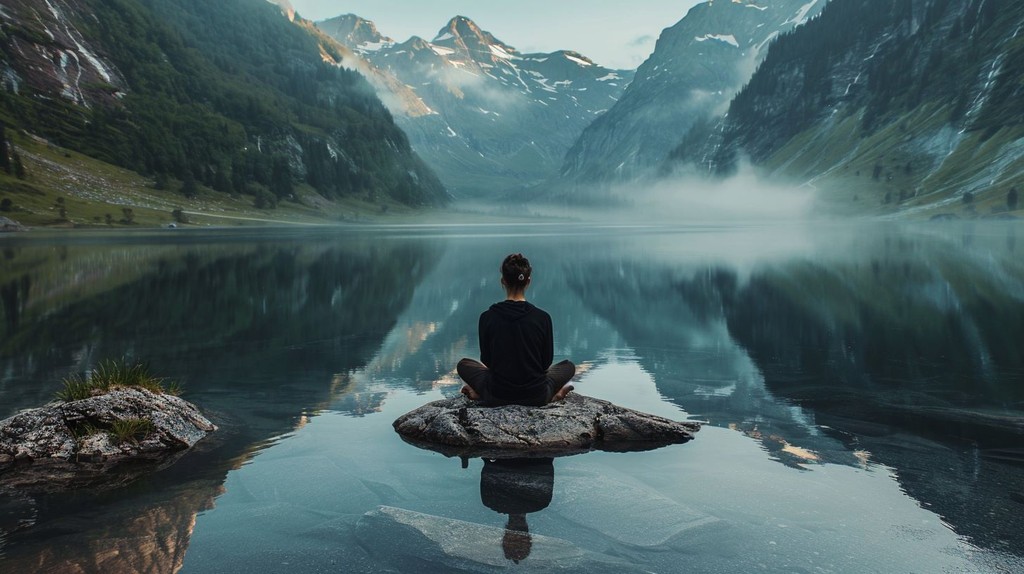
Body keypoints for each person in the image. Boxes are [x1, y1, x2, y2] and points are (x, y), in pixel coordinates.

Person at [457, 253, 575, 406]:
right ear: (528, 281)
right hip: (537, 394)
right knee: (568, 366)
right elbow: (546, 363)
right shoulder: (542, 317)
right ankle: (553, 394)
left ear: (503, 281)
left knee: (463, 364)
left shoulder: (487, 317)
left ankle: (480, 393)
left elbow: (487, 360)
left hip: (497, 393)